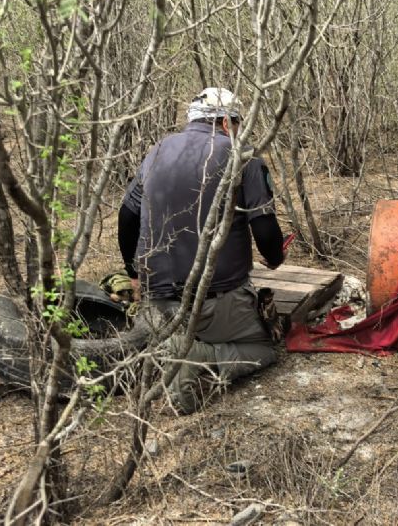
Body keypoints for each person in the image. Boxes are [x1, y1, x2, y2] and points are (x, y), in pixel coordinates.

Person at [118, 87, 285, 414]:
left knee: (167, 328)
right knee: (267, 349)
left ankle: (167, 346)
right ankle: (197, 356)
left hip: (157, 303)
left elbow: (127, 216)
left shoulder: (156, 152)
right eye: (236, 124)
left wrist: (133, 274)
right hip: (214, 304)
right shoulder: (243, 156)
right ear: (226, 122)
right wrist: (276, 257)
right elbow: (265, 231)